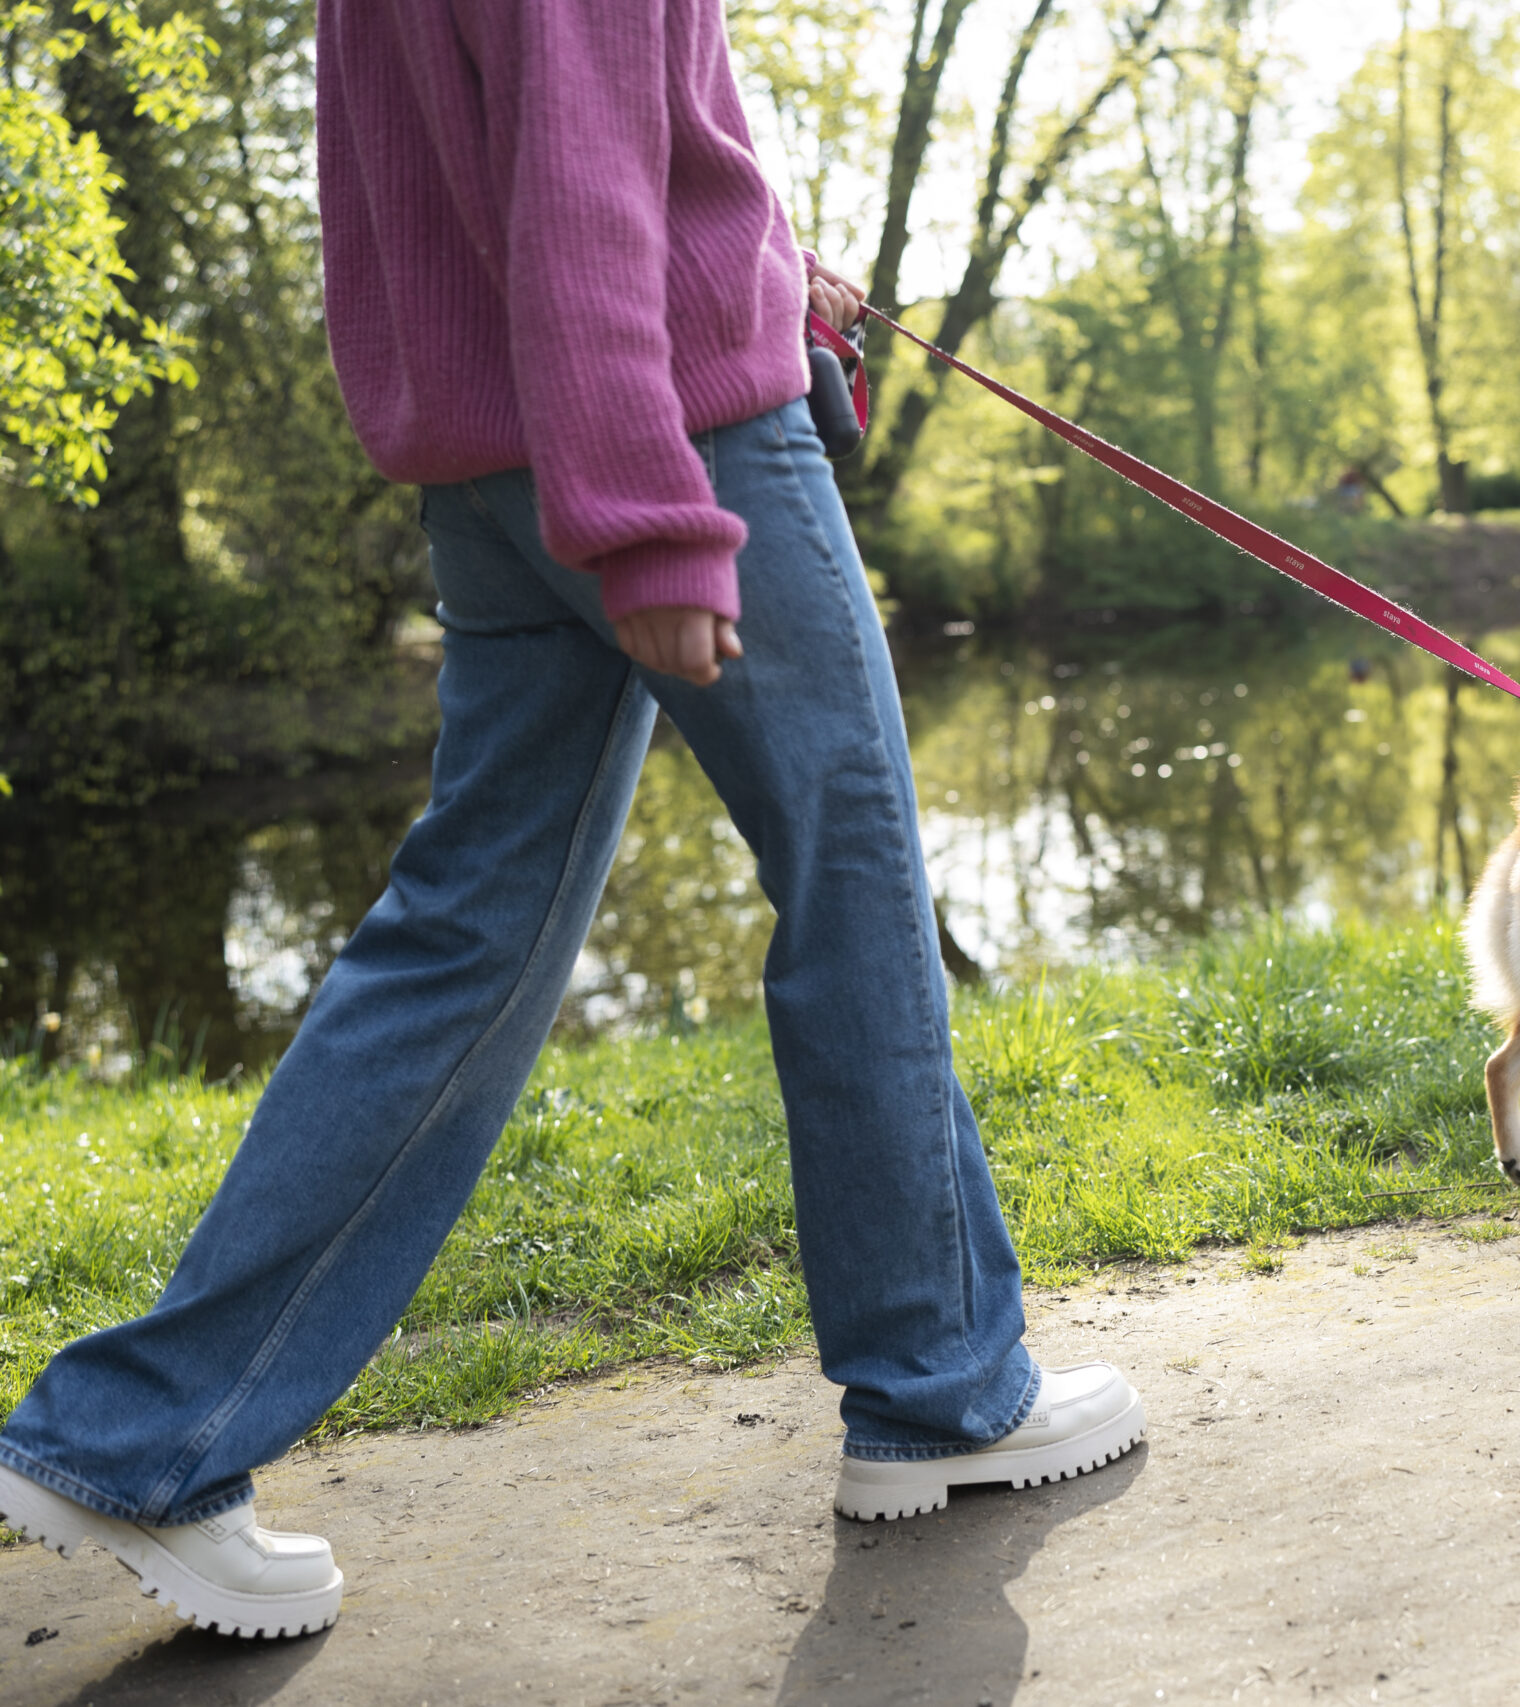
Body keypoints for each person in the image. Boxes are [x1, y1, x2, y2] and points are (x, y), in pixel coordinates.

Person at [0, 0, 1142, 1640]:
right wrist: (653, 518)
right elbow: (585, 185)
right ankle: (941, 1391)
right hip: (673, 443)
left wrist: (756, 261)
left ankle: (137, 1434)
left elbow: (477, 161)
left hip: (490, 457)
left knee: (467, 932)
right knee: (855, 883)